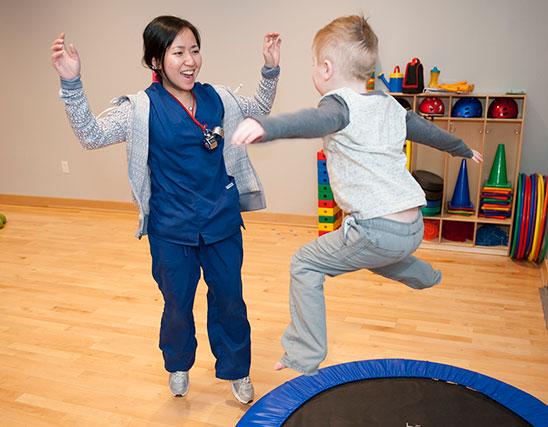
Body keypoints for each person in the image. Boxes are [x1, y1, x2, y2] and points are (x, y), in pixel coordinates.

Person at [230, 15, 482, 376]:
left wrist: (265, 127)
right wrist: (461, 148)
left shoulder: (338, 106)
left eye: (315, 64)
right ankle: (425, 276)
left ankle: (303, 355)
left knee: (305, 263)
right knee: (373, 254)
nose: (314, 70)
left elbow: (309, 123)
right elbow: (428, 131)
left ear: (327, 68)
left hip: (378, 227)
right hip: (413, 227)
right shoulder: (389, 105)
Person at [50, 15, 282, 403]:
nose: (190, 60)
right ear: (156, 60)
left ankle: (236, 370)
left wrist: (270, 69)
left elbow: (257, 106)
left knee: (230, 301)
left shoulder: (217, 98)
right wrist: (71, 83)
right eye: (178, 52)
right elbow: (91, 135)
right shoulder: (141, 108)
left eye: (194, 50)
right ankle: (178, 363)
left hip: (221, 221)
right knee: (177, 305)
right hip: (171, 228)